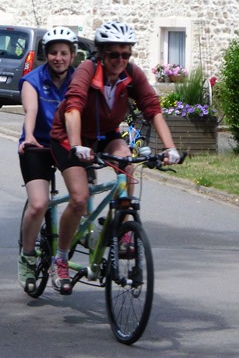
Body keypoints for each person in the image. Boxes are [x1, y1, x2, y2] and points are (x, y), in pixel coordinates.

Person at [49, 21, 181, 295]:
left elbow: (152, 109)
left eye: (126, 54)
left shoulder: (131, 74)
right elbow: (73, 107)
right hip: (69, 136)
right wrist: (76, 146)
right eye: (114, 55)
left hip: (105, 134)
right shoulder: (87, 70)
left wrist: (170, 148)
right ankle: (60, 258)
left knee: (127, 163)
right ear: (100, 54)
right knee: (79, 198)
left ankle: (124, 228)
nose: (120, 60)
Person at [17, 26, 78, 292]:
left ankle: (62, 256)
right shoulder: (32, 80)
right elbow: (31, 109)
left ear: (72, 56)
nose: (58, 58)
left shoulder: (79, 81)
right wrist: (29, 135)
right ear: (46, 55)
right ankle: (27, 256)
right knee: (39, 204)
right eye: (53, 52)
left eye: (64, 53)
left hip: (66, 145)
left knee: (81, 199)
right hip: (38, 145)